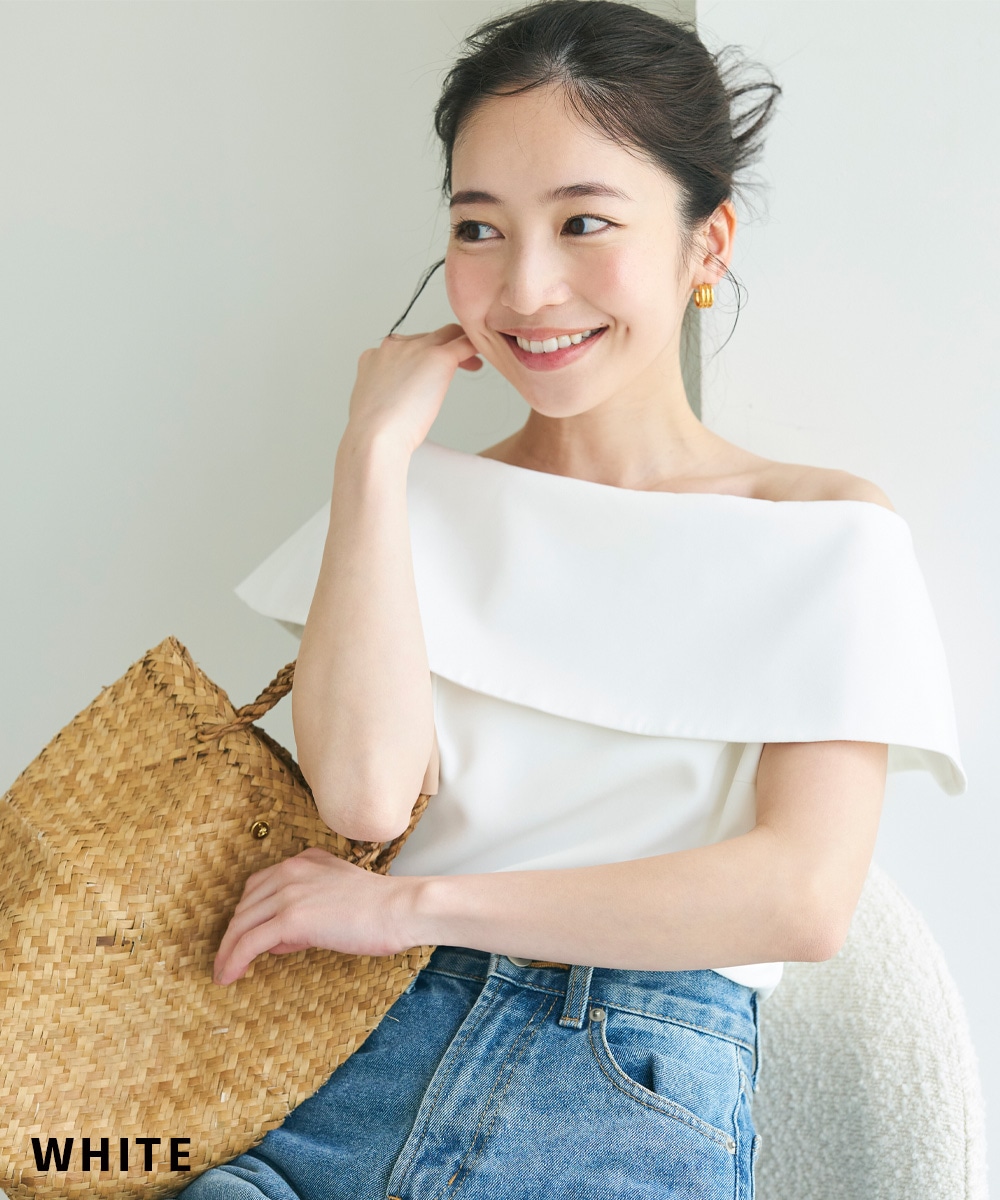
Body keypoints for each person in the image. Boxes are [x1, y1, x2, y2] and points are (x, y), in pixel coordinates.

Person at [181, 2, 965, 1196]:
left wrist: (411, 907)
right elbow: (364, 792)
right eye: (478, 227)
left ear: (707, 243)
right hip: (331, 1070)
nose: (526, 286)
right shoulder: (411, 504)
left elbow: (799, 897)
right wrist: (371, 455)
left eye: (583, 221)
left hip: (619, 1091)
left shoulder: (821, 530)